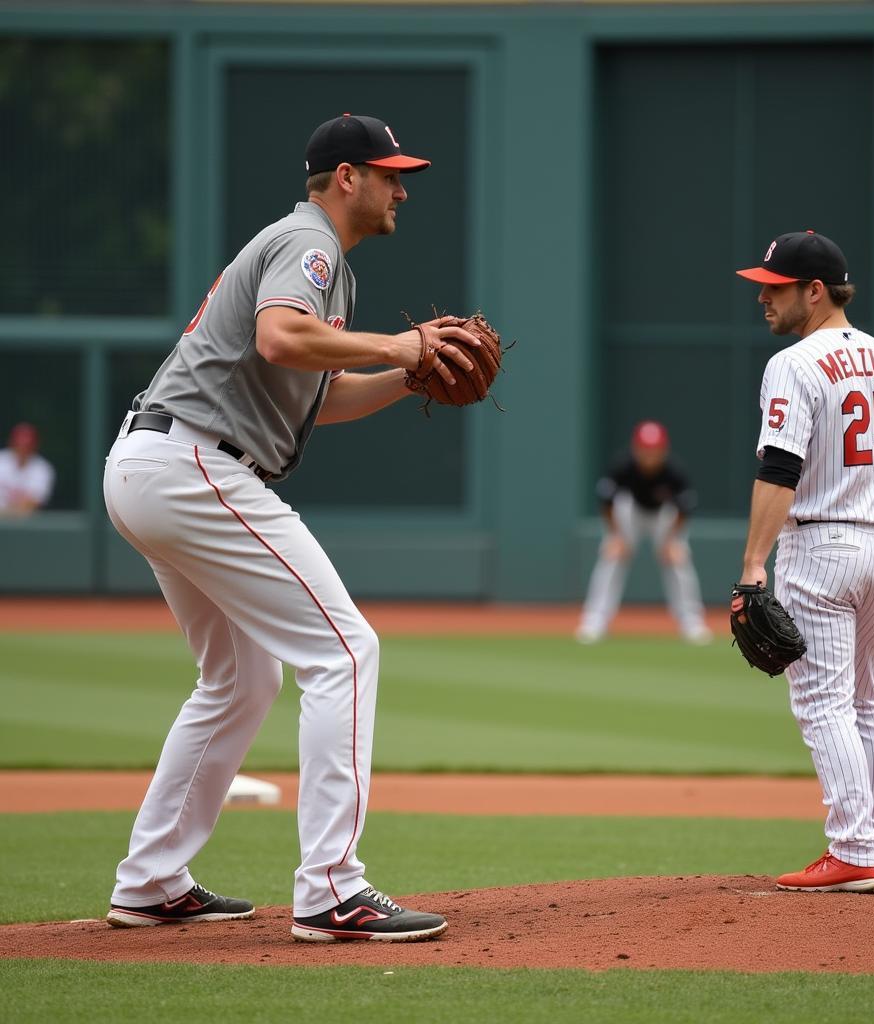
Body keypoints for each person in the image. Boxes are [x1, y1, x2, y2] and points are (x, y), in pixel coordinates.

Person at [102, 114, 482, 942]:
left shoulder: (321, 268)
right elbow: (280, 338)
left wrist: (404, 366)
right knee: (345, 650)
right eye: (388, 173)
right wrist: (400, 343)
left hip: (157, 464)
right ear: (345, 177)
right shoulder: (307, 244)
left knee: (243, 681)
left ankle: (152, 879)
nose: (401, 187)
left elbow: (316, 394)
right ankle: (331, 889)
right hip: (195, 465)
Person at [735, 230, 874, 892]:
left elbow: (779, 468)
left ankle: (852, 848)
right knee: (863, 701)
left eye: (776, 288)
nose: (764, 299)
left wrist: (751, 567)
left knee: (824, 702)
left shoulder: (794, 365)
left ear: (815, 291)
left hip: (819, 544)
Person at [576, 420, 712, 645]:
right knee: (611, 558)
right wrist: (616, 536)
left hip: (664, 515)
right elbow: (607, 502)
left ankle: (692, 622)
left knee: (679, 561)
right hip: (629, 511)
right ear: (636, 448)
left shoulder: (674, 471)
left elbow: (684, 509)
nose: (649, 455)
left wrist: (672, 541)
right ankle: (594, 620)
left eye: (654, 450)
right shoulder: (623, 466)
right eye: (644, 449)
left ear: (663, 450)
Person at [0, 422, 55, 516]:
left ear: (34, 446)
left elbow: (31, 505)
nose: (22, 449)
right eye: (19, 444)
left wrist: (7, 514)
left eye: (27, 446)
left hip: (25, 525)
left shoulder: (42, 469)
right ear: (12, 443)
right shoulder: (2, 460)